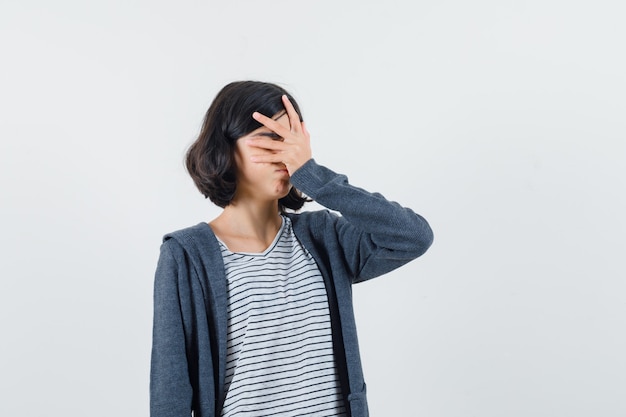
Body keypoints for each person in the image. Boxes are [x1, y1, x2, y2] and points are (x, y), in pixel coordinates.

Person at [150, 80, 434, 417]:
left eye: (291, 140)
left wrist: (312, 175)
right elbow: (171, 390)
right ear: (226, 149)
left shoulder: (325, 236)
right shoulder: (186, 255)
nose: (285, 154)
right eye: (270, 138)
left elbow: (413, 236)